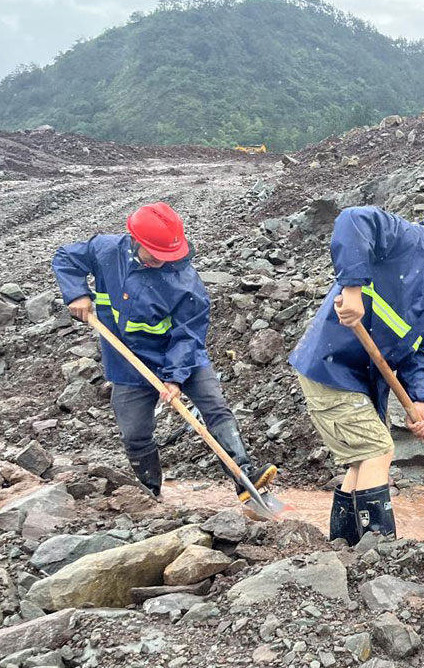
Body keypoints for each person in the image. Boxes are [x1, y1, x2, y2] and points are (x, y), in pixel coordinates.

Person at [289, 189, 424, 545]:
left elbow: (422, 351)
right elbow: (353, 219)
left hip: (364, 381)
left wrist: (419, 399)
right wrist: (351, 289)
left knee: (363, 461)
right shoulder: (407, 239)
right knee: (378, 451)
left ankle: (345, 547)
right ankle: (379, 552)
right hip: (330, 366)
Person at [52, 203, 276, 498]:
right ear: (136, 241)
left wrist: (174, 377)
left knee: (214, 405)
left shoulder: (185, 283)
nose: (162, 260)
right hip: (128, 362)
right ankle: (150, 492)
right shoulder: (106, 250)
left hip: (182, 357)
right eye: (155, 254)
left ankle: (244, 478)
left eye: (167, 255)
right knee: (134, 431)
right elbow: (65, 257)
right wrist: (77, 292)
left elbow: (187, 335)